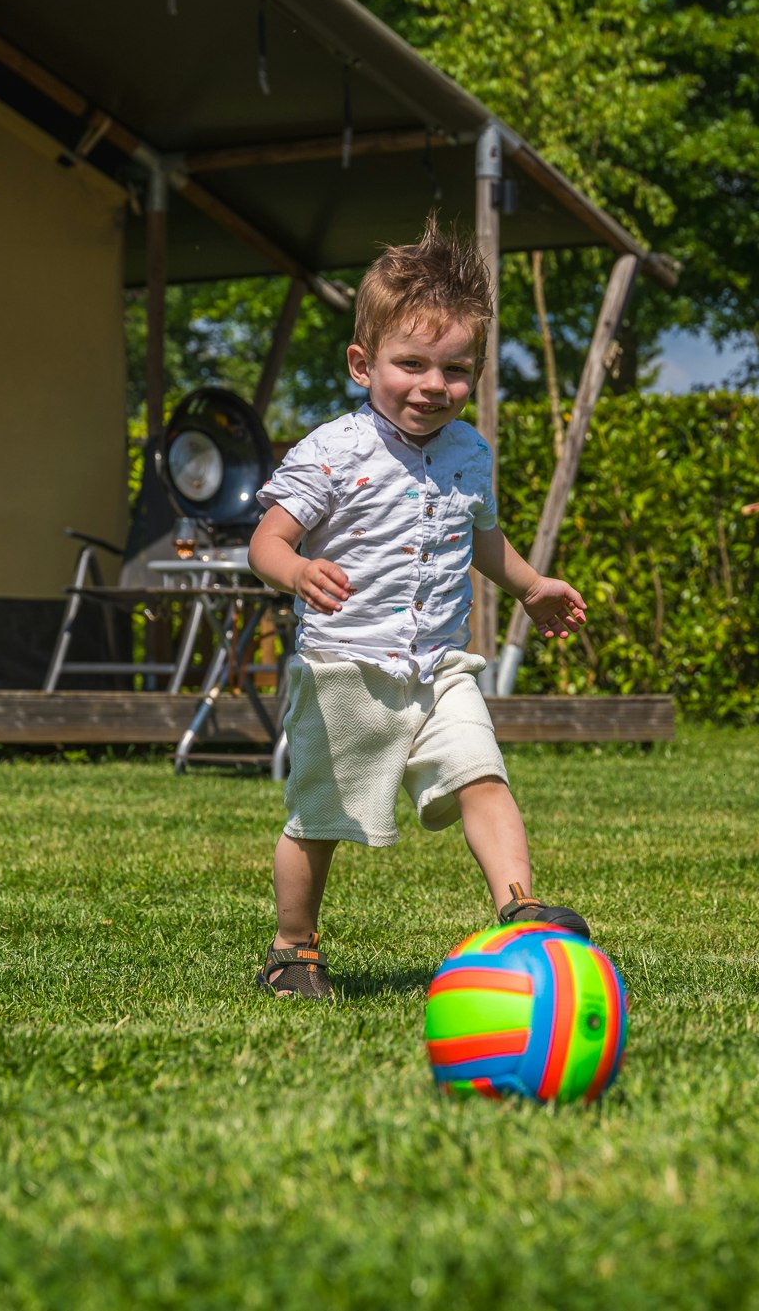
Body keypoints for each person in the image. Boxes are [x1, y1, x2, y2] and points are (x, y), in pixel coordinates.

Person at [246, 217, 591, 1000]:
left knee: (482, 773)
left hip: (438, 668)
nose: (434, 385)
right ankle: (292, 948)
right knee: (319, 820)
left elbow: (482, 537)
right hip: (346, 674)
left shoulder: (470, 451)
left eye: (456, 369)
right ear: (362, 364)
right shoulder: (333, 450)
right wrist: (297, 570)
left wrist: (531, 586)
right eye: (411, 364)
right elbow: (266, 542)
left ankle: (519, 908)